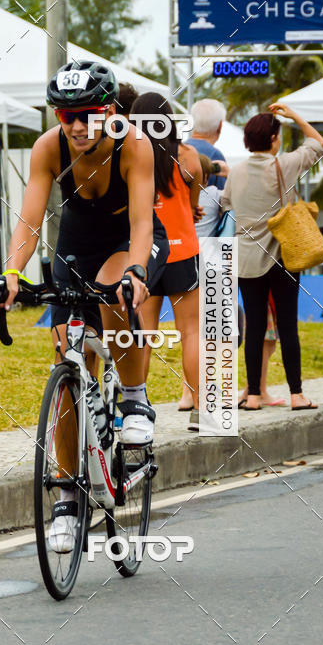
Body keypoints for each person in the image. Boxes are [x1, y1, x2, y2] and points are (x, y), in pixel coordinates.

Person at [0, 60, 169, 553]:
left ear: (110, 111)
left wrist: (135, 274)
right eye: (68, 116)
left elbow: (139, 223)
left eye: (89, 114)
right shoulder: (49, 148)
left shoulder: (134, 144)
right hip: (75, 245)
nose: (79, 125)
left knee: (114, 289)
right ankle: (67, 497)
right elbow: (28, 221)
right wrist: (10, 274)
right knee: (65, 358)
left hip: (131, 241)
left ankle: (134, 396)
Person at [221, 103, 323, 411]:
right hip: (282, 258)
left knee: (254, 326)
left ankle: (253, 395)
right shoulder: (286, 165)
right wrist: (295, 116)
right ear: (275, 139)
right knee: (287, 324)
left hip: (247, 261)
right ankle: (296, 395)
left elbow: (226, 205)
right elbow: (318, 143)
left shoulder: (236, 171)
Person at [131, 92, 203, 431]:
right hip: (182, 251)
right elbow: (194, 193)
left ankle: (134, 411)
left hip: (144, 254)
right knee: (190, 332)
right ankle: (201, 411)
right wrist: (190, 206)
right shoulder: (187, 156)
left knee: (142, 334)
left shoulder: (127, 155)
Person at [187, 99, 229, 236]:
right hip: (208, 241)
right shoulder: (216, 155)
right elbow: (226, 203)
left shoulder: (180, 151)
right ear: (220, 126)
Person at [238, 292, 286, 408]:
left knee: (267, 342)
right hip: (266, 290)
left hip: (261, 289)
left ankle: (254, 390)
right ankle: (256, 392)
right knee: (265, 341)